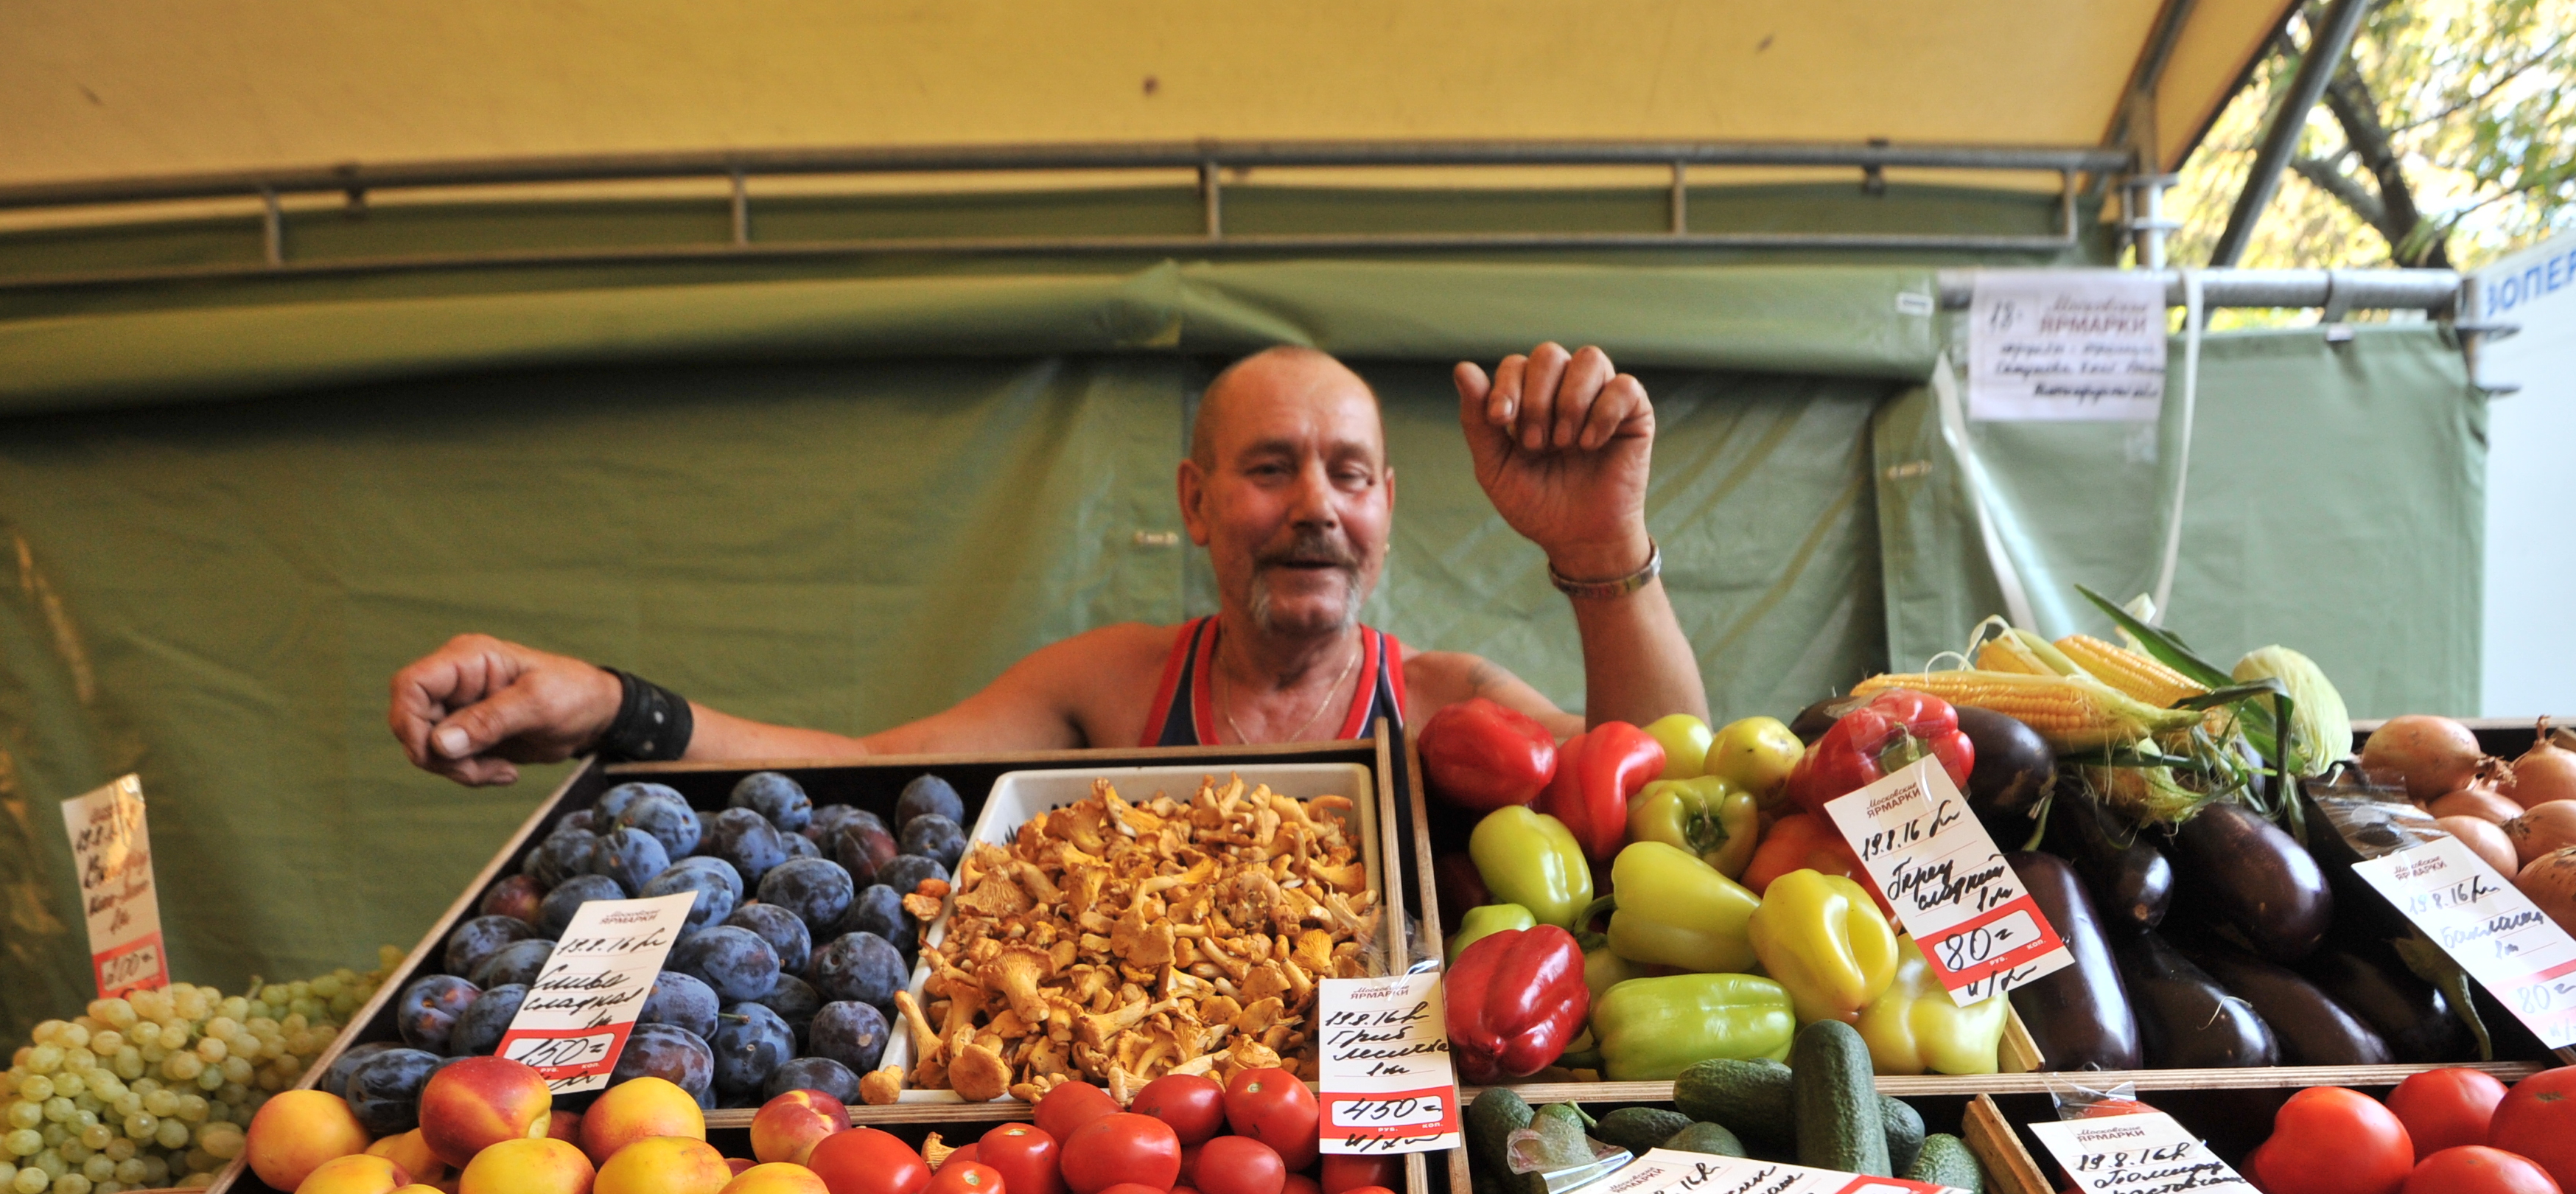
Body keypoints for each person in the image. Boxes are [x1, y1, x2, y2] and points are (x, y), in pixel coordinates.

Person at [388, 342, 1706, 781]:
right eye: (1269, 469)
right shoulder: (1112, 687)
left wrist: (1601, 547)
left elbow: (1663, 793)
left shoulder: (1439, 706)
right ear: (1195, 503)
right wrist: (619, 706)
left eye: (1348, 475)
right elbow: (866, 772)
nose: (1316, 505)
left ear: (1387, 510)